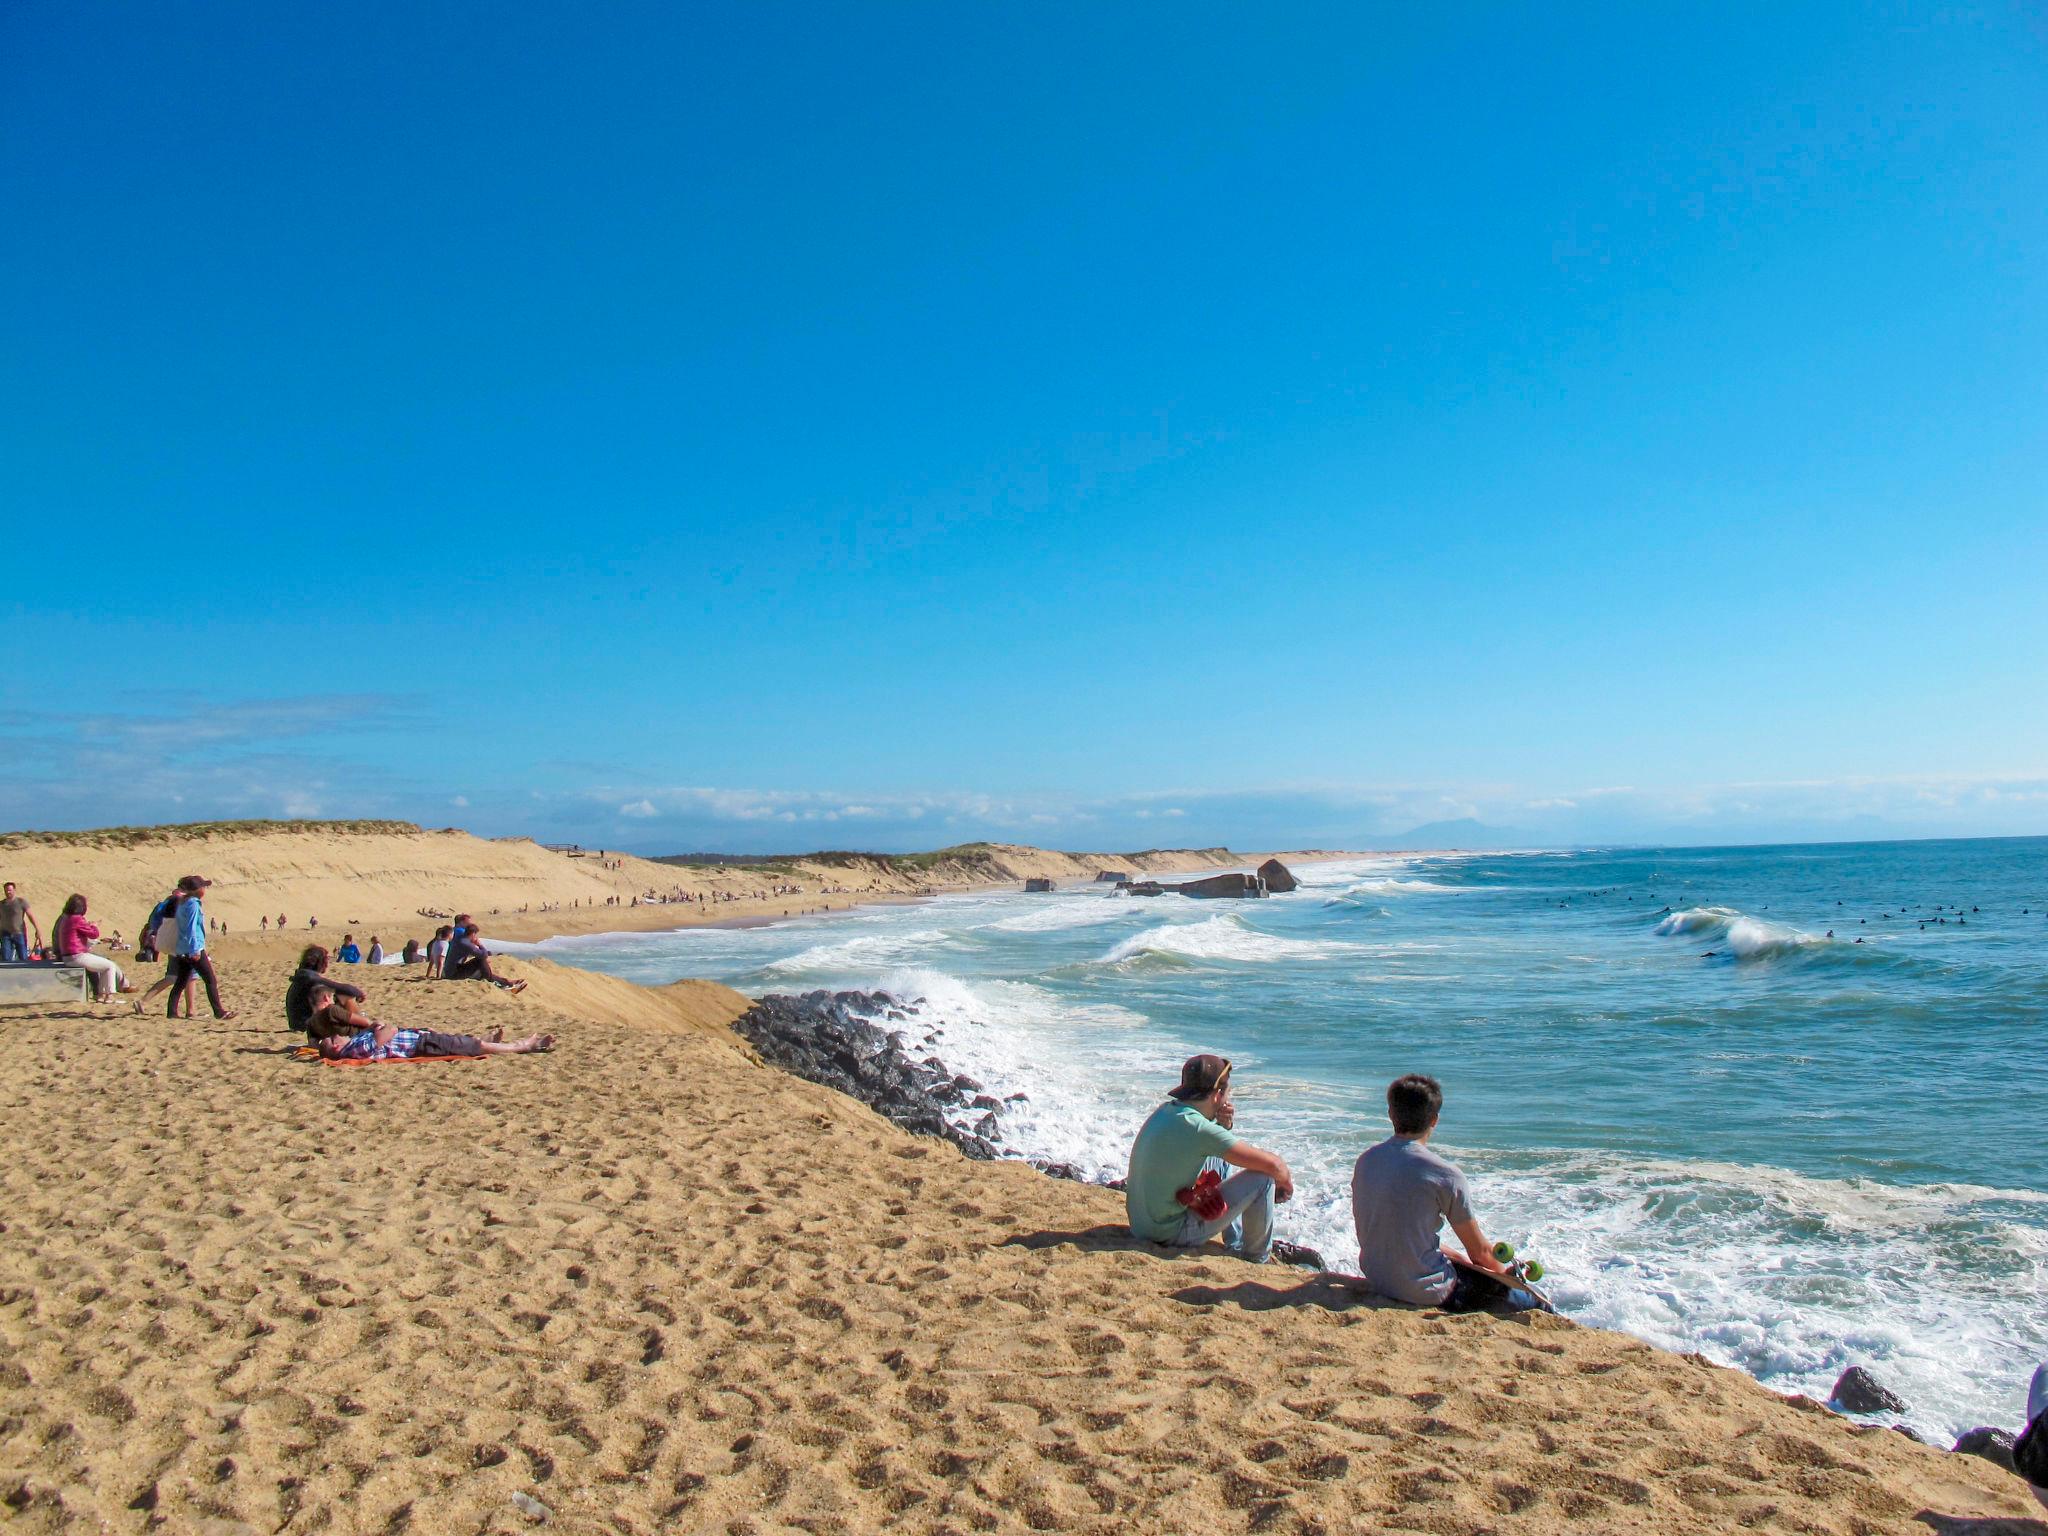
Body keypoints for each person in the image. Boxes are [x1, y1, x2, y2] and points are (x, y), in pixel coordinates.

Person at [1351, 1074, 1520, 1312]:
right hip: (1425, 1292)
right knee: (1523, 1299)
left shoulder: (1367, 1160)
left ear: (1391, 1114)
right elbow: (1480, 1253)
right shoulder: (1445, 1174)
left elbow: (1389, 1228)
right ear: (1434, 1120)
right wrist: (1509, 1277)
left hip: (1378, 1278)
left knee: (1453, 1256)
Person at [1124, 1054, 1294, 1263]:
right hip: (1167, 1234)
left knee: (1221, 1159)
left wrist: (1224, 1127)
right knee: (1263, 1179)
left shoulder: (1170, 1111)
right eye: (1227, 1093)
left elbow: (1209, 1145)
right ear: (1217, 1095)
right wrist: (1284, 1183)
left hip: (1142, 1226)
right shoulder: (1199, 1129)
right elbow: (1274, 1165)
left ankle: (1236, 1241)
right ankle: (1257, 1258)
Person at [306, 986, 552, 1059]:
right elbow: (379, 1028)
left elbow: (312, 1041)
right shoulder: (334, 1019)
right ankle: (522, 1046)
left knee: (449, 1038)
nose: (335, 1036)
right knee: (472, 1046)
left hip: (416, 1038)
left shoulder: (313, 1024)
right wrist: (378, 1027)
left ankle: (483, 1041)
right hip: (418, 1044)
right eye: (332, 1040)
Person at [162, 875, 235, 1020]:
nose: (205, 889)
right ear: (197, 890)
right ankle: (218, 1011)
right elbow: (191, 929)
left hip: (182, 947)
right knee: (210, 979)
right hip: (192, 948)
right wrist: (195, 950)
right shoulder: (193, 904)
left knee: (181, 981)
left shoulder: (183, 902)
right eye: (203, 887)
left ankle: (172, 1011)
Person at [52, 895, 131, 1001]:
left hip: (68, 956)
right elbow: (94, 934)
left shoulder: (66, 918)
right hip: (76, 955)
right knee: (110, 966)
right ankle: (109, 995)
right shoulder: (77, 919)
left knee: (101, 966)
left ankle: (101, 994)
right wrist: (94, 925)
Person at [285, 945, 367, 1034]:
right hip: (304, 1025)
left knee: (337, 997)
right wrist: (359, 993)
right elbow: (345, 989)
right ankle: (361, 1028)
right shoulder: (310, 978)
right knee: (345, 996)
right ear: (320, 962)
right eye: (326, 960)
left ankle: (359, 1024)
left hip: (297, 1024)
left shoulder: (303, 975)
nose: (328, 964)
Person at [442, 919, 526, 992]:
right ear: (473, 934)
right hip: (453, 974)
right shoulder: (466, 943)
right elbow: (484, 955)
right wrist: (479, 944)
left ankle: (506, 982)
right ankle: (504, 984)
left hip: (450, 970)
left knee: (481, 964)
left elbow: (481, 954)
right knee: (480, 961)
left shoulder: (461, 940)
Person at [0, 881, 42, 963]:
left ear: (14, 890)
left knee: (23, 957)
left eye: (10, 890)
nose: (8, 892)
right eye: (6, 890)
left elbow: (30, 916)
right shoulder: (1, 904)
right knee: (5, 958)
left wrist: (37, 929)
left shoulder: (21, 902)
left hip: (19, 933)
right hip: (5, 934)